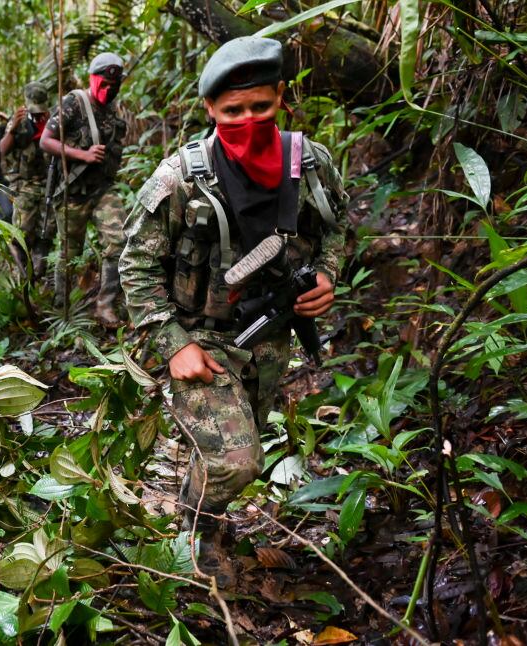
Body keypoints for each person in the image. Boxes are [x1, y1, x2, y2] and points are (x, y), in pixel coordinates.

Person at [119, 37, 348, 587]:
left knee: (243, 444)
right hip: (199, 334)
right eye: (232, 111)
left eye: (260, 107)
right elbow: (134, 266)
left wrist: (327, 276)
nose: (248, 120)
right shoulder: (180, 179)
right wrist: (173, 344)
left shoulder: (311, 164)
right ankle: (193, 537)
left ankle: (213, 528)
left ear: (281, 98)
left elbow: (337, 229)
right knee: (236, 461)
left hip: (269, 336)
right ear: (209, 111)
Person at [39, 52, 128, 327]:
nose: (109, 89)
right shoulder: (74, 103)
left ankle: (105, 305)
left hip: (102, 190)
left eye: (115, 84)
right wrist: (83, 155)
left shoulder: (113, 110)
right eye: (105, 83)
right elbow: (46, 140)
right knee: (69, 253)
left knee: (118, 241)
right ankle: (63, 309)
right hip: (72, 193)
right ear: (93, 78)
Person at [0, 82, 53, 276]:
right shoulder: (19, 122)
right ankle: (20, 276)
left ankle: (38, 275)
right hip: (25, 186)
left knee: (46, 233)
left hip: (49, 186)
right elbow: (2, 149)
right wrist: (13, 128)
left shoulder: (53, 120)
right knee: (21, 234)